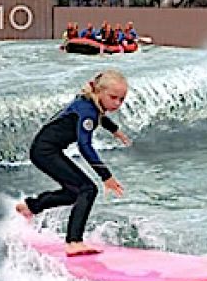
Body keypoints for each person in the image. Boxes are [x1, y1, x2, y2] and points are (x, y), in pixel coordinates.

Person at [15, 70, 129, 256]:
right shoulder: (88, 111)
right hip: (45, 152)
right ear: (99, 92)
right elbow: (85, 146)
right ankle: (74, 242)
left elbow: (100, 117)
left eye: (121, 99)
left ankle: (30, 207)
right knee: (88, 189)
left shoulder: (90, 102)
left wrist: (114, 130)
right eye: (113, 97)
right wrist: (106, 176)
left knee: (74, 193)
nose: (117, 103)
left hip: (45, 149)